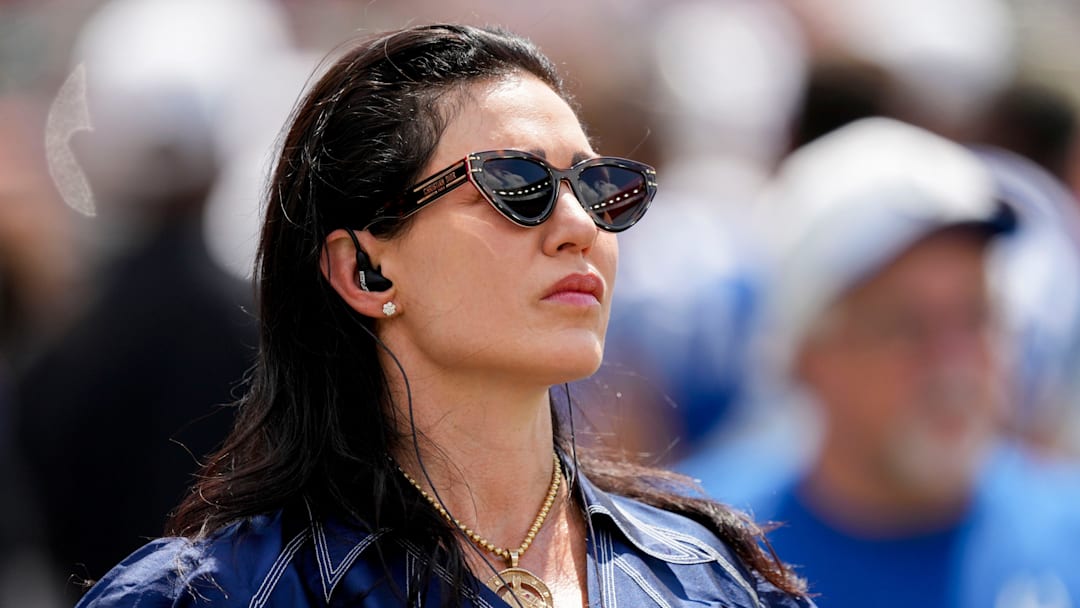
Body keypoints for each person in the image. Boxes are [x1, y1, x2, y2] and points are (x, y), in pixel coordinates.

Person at [76, 24, 813, 608]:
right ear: (364, 269)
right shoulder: (209, 596)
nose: (578, 225)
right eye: (516, 184)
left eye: (598, 186)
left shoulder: (718, 583)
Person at [680, 117, 1080, 608]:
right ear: (806, 355)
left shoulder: (1067, 535)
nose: (954, 364)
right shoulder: (693, 562)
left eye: (976, 317)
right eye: (906, 326)